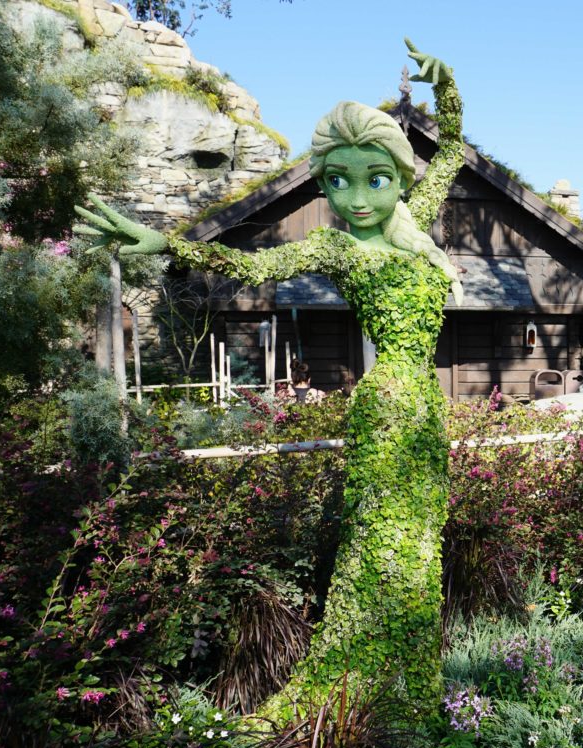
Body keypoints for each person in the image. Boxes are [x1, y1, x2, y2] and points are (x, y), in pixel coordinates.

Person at [74, 39, 463, 712]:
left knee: (418, 546)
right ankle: (367, 687)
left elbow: (452, 149)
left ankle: (407, 686)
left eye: (374, 179)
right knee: (382, 542)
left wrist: (446, 86)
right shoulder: (337, 247)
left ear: (399, 178)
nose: (356, 197)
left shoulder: (413, 228)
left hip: (426, 407)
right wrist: (168, 244)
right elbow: (254, 266)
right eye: (337, 181)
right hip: (389, 405)